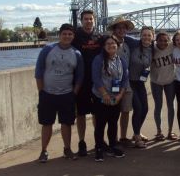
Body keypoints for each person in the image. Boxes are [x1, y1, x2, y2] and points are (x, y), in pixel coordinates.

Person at [35, 24, 84, 163]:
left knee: (66, 123)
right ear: (60, 35)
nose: (67, 36)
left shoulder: (76, 54)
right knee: (46, 123)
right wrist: (41, 92)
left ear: (73, 36)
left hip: (67, 94)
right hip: (48, 94)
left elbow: (80, 76)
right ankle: (44, 151)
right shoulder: (48, 50)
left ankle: (67, 149)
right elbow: (38, 72)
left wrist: (74, 93)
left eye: (70, 34)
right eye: (65, 34)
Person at [91, 35, 129, 162]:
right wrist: (104, 95)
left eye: (113, 43)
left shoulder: (121, 61)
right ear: (103, 46)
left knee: (113, 123)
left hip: (116, 97)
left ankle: (113, 145)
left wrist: (119, 96)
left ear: (117, 46)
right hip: (101, 97)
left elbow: (124, 80)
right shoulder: (99, 59)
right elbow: (96, 78)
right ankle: (99, 148)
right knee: (101, 124)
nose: (111, 45)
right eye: (108, 44)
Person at [71, 10, 102, 157]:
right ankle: (82, 142)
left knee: (97, 112)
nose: (88, 21)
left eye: (91, 19)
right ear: (81, 21)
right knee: (81, 113)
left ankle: (98, 141)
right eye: (85, 19)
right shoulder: (75, 36)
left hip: (96, 81)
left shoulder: (100, 37)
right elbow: (62, 45)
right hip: (80, 81)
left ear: (94, 21)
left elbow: (116, 43)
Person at [107, 17, 136, 147]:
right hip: (112, 84)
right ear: (114, 30)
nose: (121, 30)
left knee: (125, 111)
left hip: (126, 83)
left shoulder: (126, 44)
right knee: (113, 113)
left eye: (124, 28)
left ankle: (123, 137)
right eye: (118, 28)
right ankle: (113, 139)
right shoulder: (109, 44)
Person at [128, 26, 154, 148]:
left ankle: (136, 132)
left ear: (152, 37)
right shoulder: (133, 43)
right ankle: (137, 136)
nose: (146, 37)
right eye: (144, 35)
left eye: (149, 35)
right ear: (140, 35)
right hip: (130, 81)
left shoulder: (152, 49)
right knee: (138, 108)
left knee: (145, 109)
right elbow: (120, 37)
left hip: (141, 82)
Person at [150, 31, 176, 141]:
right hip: (156, 82)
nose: (163, 43)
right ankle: (159, 131)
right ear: (156, 40)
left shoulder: (172, 47)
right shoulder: (152, 49)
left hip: (170, 81)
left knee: (171, 106)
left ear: (169, 41)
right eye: (160, 40)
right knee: (158, 105)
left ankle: (170, 131)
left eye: (166, 40)